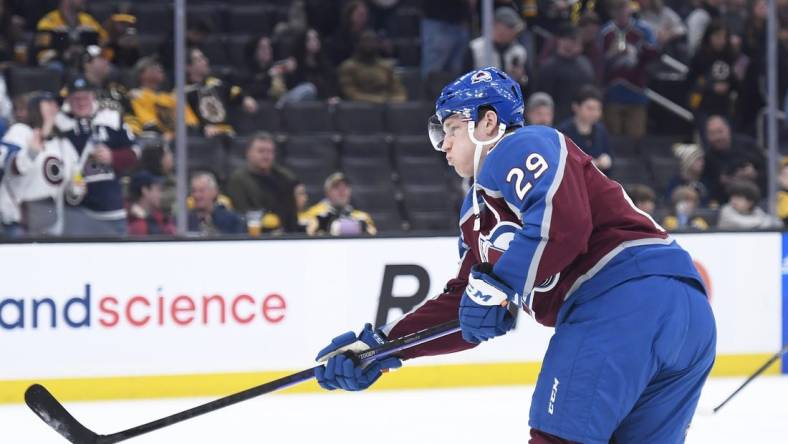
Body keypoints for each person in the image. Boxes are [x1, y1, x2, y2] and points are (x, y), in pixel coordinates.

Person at [312, 67, 715, 443]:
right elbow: (464, 306)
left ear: (488, 122)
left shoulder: (520, 145)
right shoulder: (477, 213)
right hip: (685, 314)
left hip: (620, 300)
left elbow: (563, 227)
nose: (444, 145)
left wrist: (495, 289)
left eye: (452, 128)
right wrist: (381, 349)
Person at [56, 77, 138, 236]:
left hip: (111, 210)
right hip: (75, 211)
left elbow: (134, 154)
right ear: (68, 100)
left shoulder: (110, 118)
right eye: (76, 98)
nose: (81, 102)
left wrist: (112, 156)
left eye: (85, 97)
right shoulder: (59, 124)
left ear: (93, 96)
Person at [0, 92, 75, 236]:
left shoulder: (62, 143)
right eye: (48, 104)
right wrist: (33, 150)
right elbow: (14, 168)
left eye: (56, 105)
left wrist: (76, 189)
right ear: (35, 109)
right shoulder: (20, 132)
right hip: (16, 223)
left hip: (51, 224)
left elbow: (72, 182)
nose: (54, 108)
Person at [599, 0, 658, 139]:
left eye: (623, 7)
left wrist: (637, 50)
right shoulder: (604, 32)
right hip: (612, 94)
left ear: (629, 9)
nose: (620, 12)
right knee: (613, 138)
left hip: (636, 91)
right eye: (616, 8)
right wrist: (610, 55)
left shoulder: (643, 30)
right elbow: (597, 63)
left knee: (636, 139)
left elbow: (655, 53)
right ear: (611, 11)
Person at [225, 132, 299, 233]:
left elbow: (291, 216)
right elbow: (241, 214)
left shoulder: (285, 178)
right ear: (248, 153)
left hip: (283, 236)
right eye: (261, 151)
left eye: (270, 152)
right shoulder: (238, 180)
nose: (266, 156)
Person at [185, 47, 258, 138]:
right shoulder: (184, 92)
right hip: (205, 136)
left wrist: (245, 98)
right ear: (188, 67)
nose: (205, 61)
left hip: (227, 132)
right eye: (199, 60)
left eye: (204, 58)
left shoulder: (215, 82)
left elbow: (234, 92)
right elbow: (188, 120)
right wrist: (203, 128)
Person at [534, 24, 595, 123]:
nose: (578, 43)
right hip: (558, 120)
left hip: (582, 119)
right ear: (562, 41)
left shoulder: (585, 63)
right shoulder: (549, 67)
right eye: (573, 40)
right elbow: (544, 98)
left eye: (578, 40)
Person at [128, 56, 198, 140]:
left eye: (160, 67)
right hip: (156, 140)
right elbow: (149, 123)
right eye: (153, 67)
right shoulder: (136, 96)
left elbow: (191, 122)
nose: (159, 69)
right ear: (141, 74)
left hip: (181, 140)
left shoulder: (171, 97)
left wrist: (174, 134)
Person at [464, 7, 528, 90]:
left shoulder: (520, 52)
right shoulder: (475, 49)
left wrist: (521, 78)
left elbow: (528, 84)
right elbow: (463, 81)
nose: (514, 31)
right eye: (510, 27)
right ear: (496, 26)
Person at [34, 0, 107, 70]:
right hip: (57, 64)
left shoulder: (88, 20)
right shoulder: (49, 21)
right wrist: (62, 54)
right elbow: (41, 55)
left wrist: (87, 51)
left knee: (102, 66)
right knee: (55, 67)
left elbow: (103, 42)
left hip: (85, 62)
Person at [337, 30, 407, 103]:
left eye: (372, 41)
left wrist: (395, 101)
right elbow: (350, 93)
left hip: (387, 109)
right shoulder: (348, 67)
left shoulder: (387, 66)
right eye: (366, 41)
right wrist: (379, 100)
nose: (369, 44)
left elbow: (399, 92)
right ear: (357, 44)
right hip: (358, 109)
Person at [557, 85, 613, 173]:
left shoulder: (601, 131)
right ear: (576, 107)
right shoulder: (563, 132)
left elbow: (609, 154)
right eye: (590, 108)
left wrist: (607, 160)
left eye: (598, 109)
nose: (595, 113)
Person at [304, 172, 376, 236]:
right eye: (336, 187)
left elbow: (374, 241)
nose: (342, 190)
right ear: (327, 192)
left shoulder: (363, 218)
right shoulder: (313, 215)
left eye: (345, 186)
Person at [717, 180, 782, 229]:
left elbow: (776, 222)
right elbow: (742, 223)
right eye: (732, 197)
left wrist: (768, 222)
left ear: (750, 202)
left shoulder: (756, 211)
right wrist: (762, 223)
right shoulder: (726, 210)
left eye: (738, 198)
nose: (733, 201)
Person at [127, 170, 175, 236]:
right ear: (145, 190)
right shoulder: (137, 226)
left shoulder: (159, 219)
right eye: (158, 190)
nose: (160, 195)